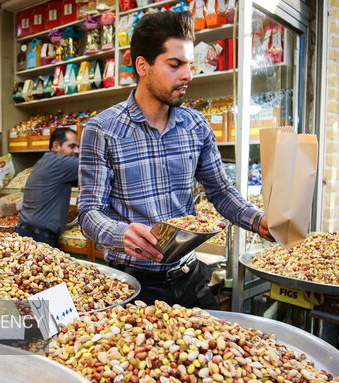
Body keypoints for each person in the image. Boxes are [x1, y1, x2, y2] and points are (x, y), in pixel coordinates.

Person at [78, 11, 274, 310]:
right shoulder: (103, 129)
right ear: (142, 65)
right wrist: (121, 233)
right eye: (175, 65)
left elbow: (221, 192)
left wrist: (258, 220)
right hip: (130, 284)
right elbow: (90, 212)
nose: (188, 75)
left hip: (189, 276)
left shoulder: (195, 126)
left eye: (189, 65)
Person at [15, 127, 80, 247]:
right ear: (56, 146)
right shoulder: (60, 162)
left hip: (27, 232)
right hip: (38, 237)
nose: (77, 151)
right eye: (72, 146)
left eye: (78, 146)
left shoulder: (48, 160)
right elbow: (94, 167)